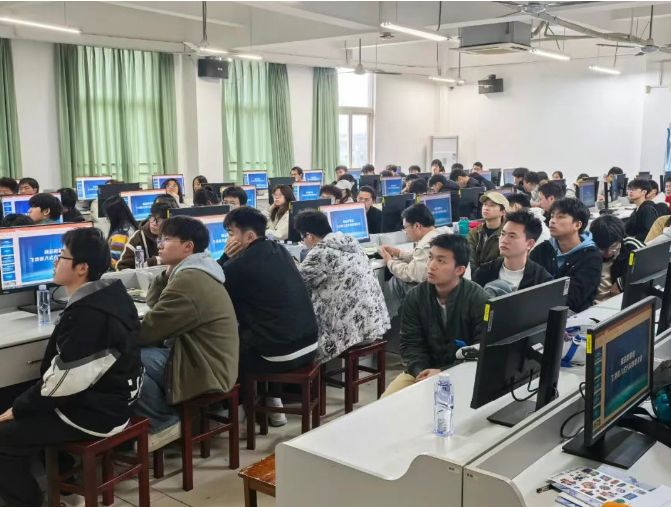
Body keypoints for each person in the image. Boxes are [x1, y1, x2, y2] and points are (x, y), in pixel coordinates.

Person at [0, 227, 143, 507]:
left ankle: (31, 502)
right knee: (19, 398)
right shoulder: (109, 295)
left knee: (4, 435)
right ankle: (64, 478)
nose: (55, 262)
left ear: (82, 268)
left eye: (61, 256)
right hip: (112, 398)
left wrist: (19, 408)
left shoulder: (90, 315)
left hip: (98, 413)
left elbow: (65, 383)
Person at [134, 216, 239, 449]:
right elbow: (157, 305)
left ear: (188, 246)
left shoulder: (189, 279)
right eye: (159, 239)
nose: (160, 244)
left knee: (125, 360)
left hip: (205, 367)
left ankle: (163, 423)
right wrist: (167, 273)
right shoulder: (197, 269)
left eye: (166, 239)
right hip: (209, 359)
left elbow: (148, 331)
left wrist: (110, 333)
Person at [218, 207, 318, 423]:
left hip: (278, 355)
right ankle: (274, 403)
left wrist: (224, 257)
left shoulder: (238, 266)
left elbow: (213, 287)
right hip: (309, 345)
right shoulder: (281, 250)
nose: (227, 240)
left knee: (230, 347)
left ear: (250, 236)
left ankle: (239, 415)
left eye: (231, 234)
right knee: (267, 328)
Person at [382, 234, 488, 396]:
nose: (431, 265)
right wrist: (421, 371)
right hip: (422, 371)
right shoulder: (415, 296)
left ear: (459, 270)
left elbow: (481, 349)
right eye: (431, 257)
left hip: (463, 372)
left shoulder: (478, 298)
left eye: (441, 261)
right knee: (387, 401)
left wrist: (444, 371)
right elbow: (410, 343)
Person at [295, 210, 390, 362]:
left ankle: (308, 375)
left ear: (309, 236)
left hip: (351, 334)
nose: (304, 243)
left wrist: (293, 267)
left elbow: (296, 285)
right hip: (374, 326)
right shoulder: (351, 243)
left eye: (303, 239)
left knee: (298, 339)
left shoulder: (320, 251)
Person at [529, 198, 603, 313]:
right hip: (537, 311)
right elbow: (527, 286)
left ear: (577, 225)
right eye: (552, 216)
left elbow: (573, 299)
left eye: (560, 217)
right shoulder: (542, 250)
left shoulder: (591, 257)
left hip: (573, 316)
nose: (552, 221)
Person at [380, 203, 441, 318]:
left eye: (405, 227)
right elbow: (421, 256)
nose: (405, 232)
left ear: (417, 225)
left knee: (397, 281)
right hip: (453, 292)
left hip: (436, 297)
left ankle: (388, 320)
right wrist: (398, 253)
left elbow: (412, 274)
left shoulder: (425, 245)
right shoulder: (441, 233)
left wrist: (389, 262)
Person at [473, 211, 552, 291]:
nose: (504, 240)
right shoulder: (484, 272)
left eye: (512, 236)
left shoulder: (541, 281)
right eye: (503, 234)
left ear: (529, 244)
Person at [590, 214, 645, 302]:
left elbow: (649, 267)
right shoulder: (588, 250)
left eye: (613, 247)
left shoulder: (631, 247)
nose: (608, 253)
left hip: (620, 301)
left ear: (620, 239)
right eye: (602, 248)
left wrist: (622, 282)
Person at [116, 201, 176, 270]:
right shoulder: (139, 237)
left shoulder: (176, 237)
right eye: (152, 217)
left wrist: (157, 261)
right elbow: (121, 268)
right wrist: (152, 263)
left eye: (159, 220)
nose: (154, 223)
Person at [467, 191, 509, 271]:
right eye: (485, 204)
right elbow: (469, 259)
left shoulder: (507, 236)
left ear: (503, 212)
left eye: (492, 205)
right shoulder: (475, 232)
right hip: (474, 274)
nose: (486, 208)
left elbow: (501, 263)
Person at [104, 195, 138, 270]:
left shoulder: (119, 235)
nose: (107, 218)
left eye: (107, 215)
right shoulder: (131, 227)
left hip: (119, 272)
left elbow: (115, 262)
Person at [625, 178, 660, 242]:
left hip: (641, 245)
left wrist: (632, 239)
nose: (630, 191)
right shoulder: (638, 209)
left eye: (634, 189)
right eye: (629, 189)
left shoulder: (647, 209)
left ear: (644, 192)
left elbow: (648, 233)